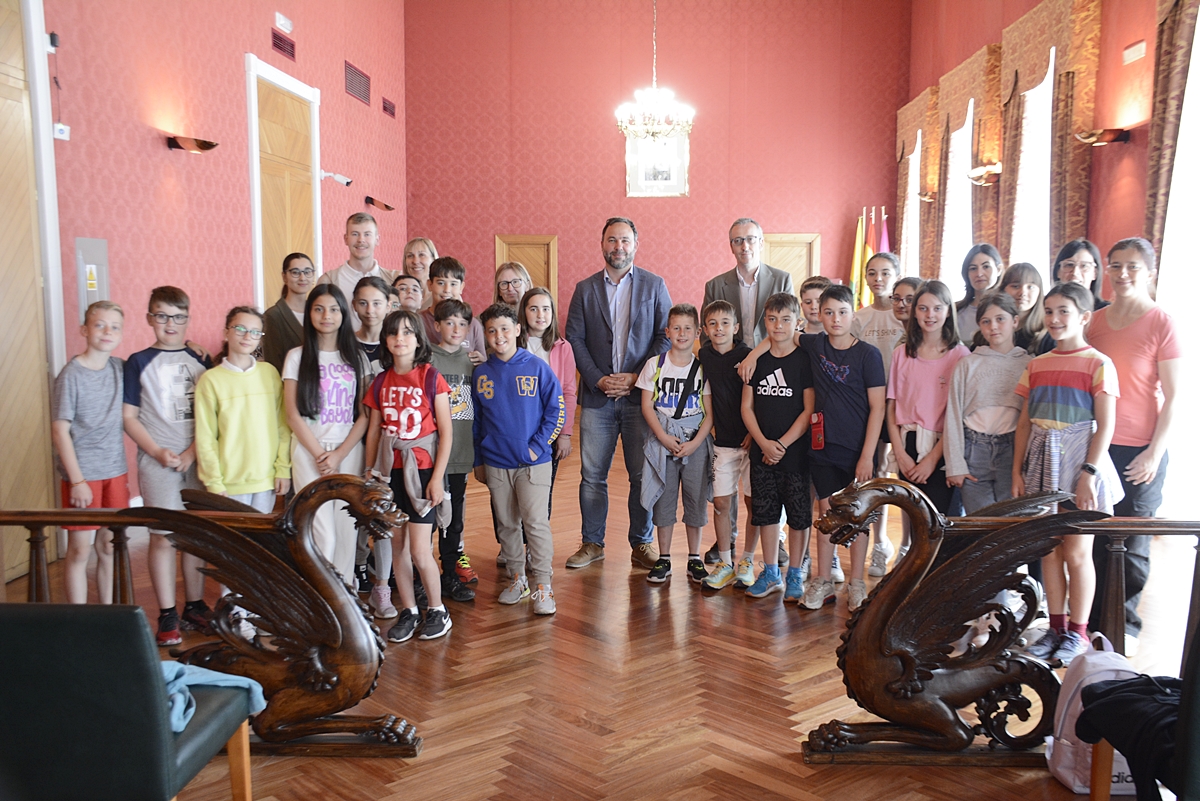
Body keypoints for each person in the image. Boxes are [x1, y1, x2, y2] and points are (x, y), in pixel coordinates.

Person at [1014, 282, 1123, 667]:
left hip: (1079, 459)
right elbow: (1025, 422)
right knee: (1049, 549)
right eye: (1050, 311)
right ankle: (1054, 628)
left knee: (1077, 551)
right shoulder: (1037, 364)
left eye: (1064, 311)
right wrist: (1018, 469)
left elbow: (1106, 425)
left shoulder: (1098, 363)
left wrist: (1088, 473)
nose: (1055, 319)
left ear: (1083, 317)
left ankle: (1077, 631)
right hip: (1043, 458)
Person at [1086, 237, 1180, 647]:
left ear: (1149, 273)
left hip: (1141, 447)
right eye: (1116, 265)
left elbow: (1175, 397)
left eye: (1132, 267)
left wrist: (1153, 454)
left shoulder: (1162, 322)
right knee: (1094, 538)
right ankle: (1088, 625)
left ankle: (1124, 626)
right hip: (1097, 446)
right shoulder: (1096, 322)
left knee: (1133, 544)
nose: (1122, 274)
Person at [564, 217, 672, 570]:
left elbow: (665, 336)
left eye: (625, 240)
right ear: (602, 244)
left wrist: (637, 377)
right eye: (612, 240)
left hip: (640, 399)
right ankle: (592, 543)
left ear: (635, 244)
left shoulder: (655, 286)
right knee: (592, 475)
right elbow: (574, 339)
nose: (618, 247)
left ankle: (641, 544)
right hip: (597, 399)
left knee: (641, 475)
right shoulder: (584, 289)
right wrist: (597, 379)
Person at [123, 286, 213, 646]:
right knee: (162, 536)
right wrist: (158, 452)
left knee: (194, 534)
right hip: (157, 460)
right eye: (161, 316)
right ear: (149, 319)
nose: (169, 323)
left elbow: (210, 414)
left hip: (197, 457)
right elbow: (129, 417)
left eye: (177, 317)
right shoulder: (138, 362)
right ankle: (167, 613)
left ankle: (194, 604)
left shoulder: (201, 360)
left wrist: (192, 451)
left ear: (188, 319)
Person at [364, 310, 453, 643]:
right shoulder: (381, 381)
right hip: (391, 473)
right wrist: (373, 473)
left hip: (423, 471)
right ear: (385, 340)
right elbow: (374, 431)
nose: (399, 338)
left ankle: (437, 609)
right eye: (393, 333)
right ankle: (410, 610)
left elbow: (446, 432)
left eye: (407, 333)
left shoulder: (431, 377)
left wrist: (437, 479)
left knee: (419, 549)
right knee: (397, 546)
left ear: (418, 339)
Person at [473, 304, 565, 614]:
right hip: (496, 462)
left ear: (516, 330)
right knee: (507, 524)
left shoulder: (537, 367)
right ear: (485, 336)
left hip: (532, 463)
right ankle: (517, 578)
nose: (498, 335)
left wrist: (536, 447)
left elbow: (556, 410)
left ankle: (542, 585)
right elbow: (477, 420)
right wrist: (478, 459)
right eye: (491, 330)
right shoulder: (482, 373)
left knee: (535, 523)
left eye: (503, 328)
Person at [799, 285, 886, 612]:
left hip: (857, 451)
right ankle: (822, 579)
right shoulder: (815, 343)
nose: (836, 319)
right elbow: (780, 338)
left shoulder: (868, 355)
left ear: (853, 314)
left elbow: (878, 408)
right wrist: (753, 354)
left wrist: (867, 456)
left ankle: (857, 581)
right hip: (822, 447)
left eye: (842, 312)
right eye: (829, 312)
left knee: (857, 517)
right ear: (819, 315)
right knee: (826, 514)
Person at [283, 285, 371, 597]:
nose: (326, 316)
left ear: (344, 314)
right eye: (319, 309)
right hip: (309, 453)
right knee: (322, 533)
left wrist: (340, 453)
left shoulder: (356, 357)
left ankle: (345, 600)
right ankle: (320, 598)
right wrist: (321, 453)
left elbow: (364, 414)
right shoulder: (296, 357)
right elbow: (292, 413)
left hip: (347, 452)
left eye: (334, 309)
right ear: (309, 314)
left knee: (347, 532)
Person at [51, 300, 127, 605]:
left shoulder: (120, 369)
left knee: (108, 545)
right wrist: (77, 480)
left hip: (115, 472)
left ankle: (107, 611)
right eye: (99, 324)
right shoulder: (71, 374)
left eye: (115, 327)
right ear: (84, 330)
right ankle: (78, 617)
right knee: (80, 549)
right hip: (82, 476)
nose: (107, 331)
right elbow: (60, 430)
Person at [741, 293, 815, 602]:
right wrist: (763, 444)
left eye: (785, 319)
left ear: (797, 322)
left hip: (795, 455)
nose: (778, 325)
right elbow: (747, 407)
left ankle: (795, 573)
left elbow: (808, 410)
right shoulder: (756, 361)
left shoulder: (803, 359)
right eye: (772, 319)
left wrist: (782, 444)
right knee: (767, 515)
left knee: (798, 517)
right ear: (764, 322)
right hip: (762, 454)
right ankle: (770, 571)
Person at [636, 303, 714, 584]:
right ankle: (664, 558)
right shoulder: (654, 365)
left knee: (695, 500)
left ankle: (695, 558)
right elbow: (647, 406)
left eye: (688, 328)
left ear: (697, 333)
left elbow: (709, 412)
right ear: (667, 331)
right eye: (676, 327)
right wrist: (663, 437)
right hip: (662, 442)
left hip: (695, 443)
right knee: (664, 500)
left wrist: (695, 444)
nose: (681, 333)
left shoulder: (703, 368)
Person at [194, 306, 291, 513]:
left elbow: (283, 426)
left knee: (259, 542)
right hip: (229, 483)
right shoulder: (210, 380)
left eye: (255, 332)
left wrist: (283, 468)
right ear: (226, 332)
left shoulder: (270, 373)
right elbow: (206, 437)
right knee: (232, 543)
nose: (248, 336)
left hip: (266, 480)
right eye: (240, 329)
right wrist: (214, 482)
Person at [885, 280, 970, 515]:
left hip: (943, 447)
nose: (929, 315)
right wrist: (900, 453)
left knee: (941, 523)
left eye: (937, 308)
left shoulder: (961, 355)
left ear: (948, 311)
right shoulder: (901, 354)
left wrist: (932, 459)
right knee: (915, 522)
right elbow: (891, 406)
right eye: (922, 308)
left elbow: (958, 415)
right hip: (908, 443)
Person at [944, 292, 1031, 512]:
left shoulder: (1030, 364)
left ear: (1015, 321)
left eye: (1000, 319)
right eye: (986, 321)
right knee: (979, 522)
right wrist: (955, 464)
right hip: (974, 451)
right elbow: (953, 415)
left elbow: (1030, 420)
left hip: (1012, 451)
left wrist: (1024, 466)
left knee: (1011, 523)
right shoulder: (968, 364)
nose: (993, 326)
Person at [696, 301, 756, 591]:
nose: (718, 328)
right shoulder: (703, 355)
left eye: (724, 323)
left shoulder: (748, 356)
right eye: (712, 324)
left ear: (736, 327)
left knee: (752, 503)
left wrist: (755, 433)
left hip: (750, 442)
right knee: (721, 502)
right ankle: (724, 562)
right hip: (722, 444)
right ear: (705, 330)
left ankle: (747, 560)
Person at [851, 253, 904, 578]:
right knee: (870, 474)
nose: (878, 278)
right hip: (867, 406)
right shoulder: (859, 318)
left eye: (885, 272)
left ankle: (886, 541)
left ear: (896, 275)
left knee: (887, 476)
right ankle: (874, 539)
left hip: (898, 406)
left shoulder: (906, 317)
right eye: (872, 273)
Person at [428, 298, 481, 603]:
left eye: (463, 324)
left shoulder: (471, 363)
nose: (456, 329)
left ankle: (449, 575)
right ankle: (423, 575)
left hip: (460, 453)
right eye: (449, 322)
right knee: (427, 518)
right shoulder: (428, 360)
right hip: (432, 455)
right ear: (437, 326)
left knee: (455, 519)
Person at [517, 286, 577, 514]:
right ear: (524, 313)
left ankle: (536, 546)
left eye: (545, 309)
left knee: (542, 489)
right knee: (515, 488)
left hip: (548, 430)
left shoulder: (563, 347)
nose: (540, 315)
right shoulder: (514, 345)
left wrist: (565, 433)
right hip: (518, 428)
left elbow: (569, 392)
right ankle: (514, 545)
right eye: (534, 309)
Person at [701, 218, 795, 347]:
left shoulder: (782, 280)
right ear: (732, 247)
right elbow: (706, 334)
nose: (745, 246)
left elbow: (790, 327)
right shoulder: (714, 286)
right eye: (738, 241)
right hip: (729, 361)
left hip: (772, 358)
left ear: (761, 243)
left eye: (751, 239)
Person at [319, 213, 398, 329]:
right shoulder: (328, 281)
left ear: (377, 239)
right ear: (346, 239)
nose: (361, 240)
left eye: (367, 234)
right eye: (355, 234)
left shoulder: (394, 279)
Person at [420, 256, 486, 362]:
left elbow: (483, 364)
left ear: (461, 287)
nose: (447, 290)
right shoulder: (418, 321)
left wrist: (483, 362)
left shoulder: (473, 324)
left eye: (453, 284)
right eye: (441, 283)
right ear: (430, 285)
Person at [262, 252, 315, 372]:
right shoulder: (272, 316)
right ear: (284, 276)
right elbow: (272, 364)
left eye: (307, 272)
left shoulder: (317, 311)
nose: (302, 278)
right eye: (295, 272)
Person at [954, 244, 1003, 345]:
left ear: (999, 270)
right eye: (973, 268)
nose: (979, 273)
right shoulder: (956, 311)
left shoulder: (1008, 309)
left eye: (986, 267)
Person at [998, 263, 1048, 352]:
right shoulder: (991, 329)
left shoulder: (1046, 336)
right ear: (1002, 290)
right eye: (1016, 286)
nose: (1022, 293)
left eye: (1030, 287)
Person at [1053, 238, 1107, 311]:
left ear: (1095, 273)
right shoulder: (1045, 309)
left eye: (1084, 266)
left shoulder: (1106, 311)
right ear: (1058, 272)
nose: (1075, 273)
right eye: (1069, 265)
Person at [403, 237, 438, 310]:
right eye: (410, 256)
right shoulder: (399, 293)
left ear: (433, 259)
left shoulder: (445, 295)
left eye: (422, 255)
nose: (415, 261)